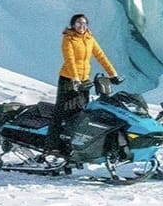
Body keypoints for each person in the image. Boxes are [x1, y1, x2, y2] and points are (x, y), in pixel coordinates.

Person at [48, 13, 122, 149]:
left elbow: (101, 56)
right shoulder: (68, 39)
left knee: (82, 112)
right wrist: (75, 79)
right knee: (63, 110)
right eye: (78, 23)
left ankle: (74, 143)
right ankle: (52, 143)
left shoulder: (89, 39)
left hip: (84, 81)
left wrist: (113, 74)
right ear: (72, 24)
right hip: (68, 79)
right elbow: (69, 60)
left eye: (84, 23)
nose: (82, 26)